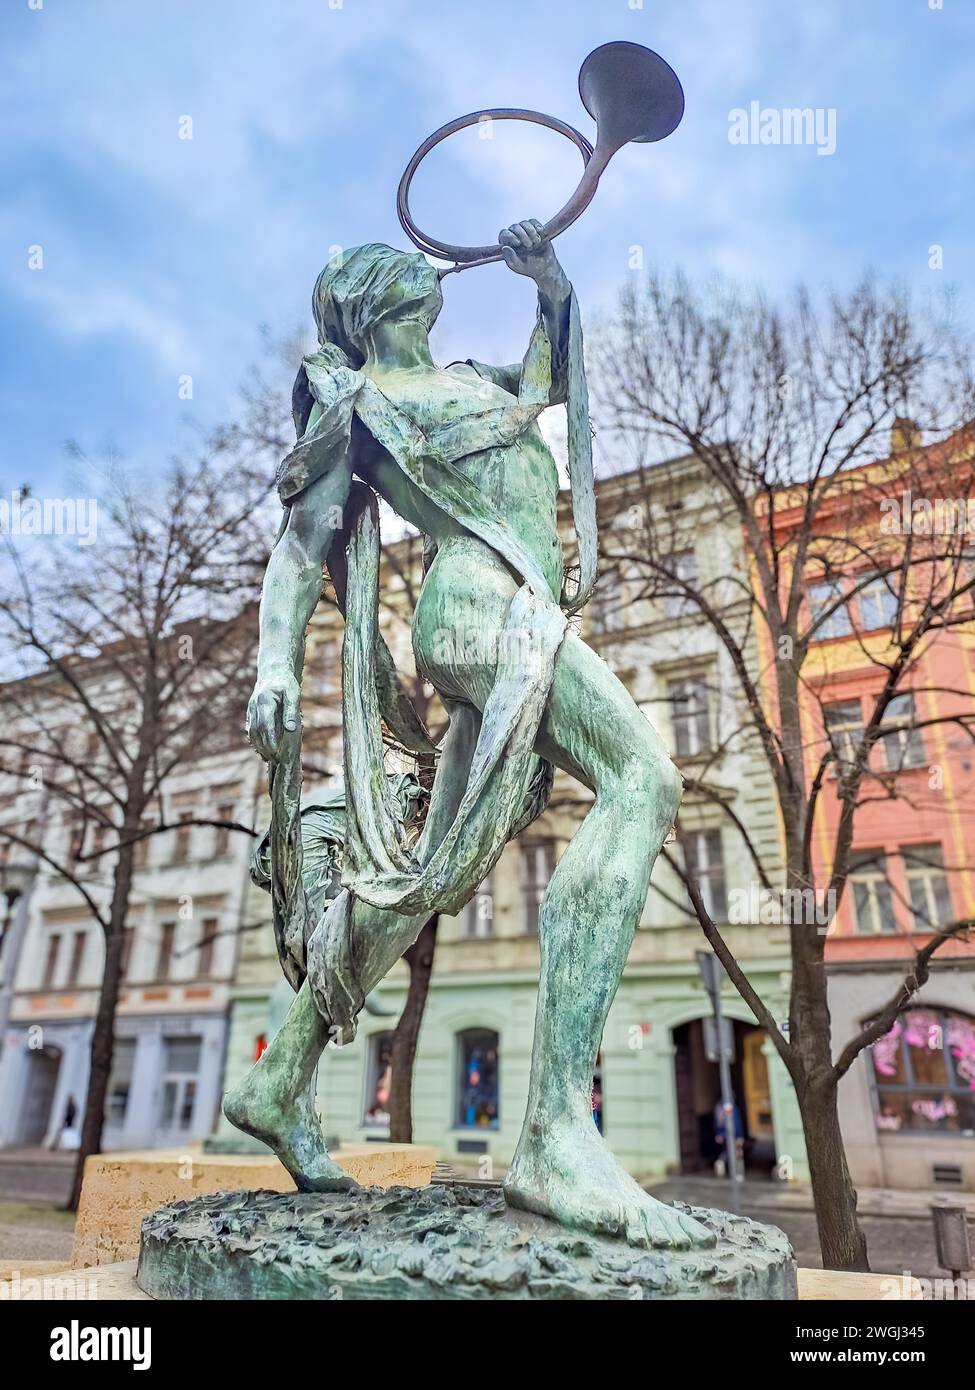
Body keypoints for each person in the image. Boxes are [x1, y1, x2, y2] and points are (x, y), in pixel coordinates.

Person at [225, 224, 710, 1251]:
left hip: (521, 609)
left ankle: (278, 1078)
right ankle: (551, 1134)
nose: (431, 266)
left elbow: (547, 379)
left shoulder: (469, 379)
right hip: (476, 610)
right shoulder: (362, 403)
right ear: (372, 296)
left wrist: (551, 284)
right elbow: (300, 544)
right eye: (405, 265)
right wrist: (274, 664)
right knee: (644, 778)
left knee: (430, 880)